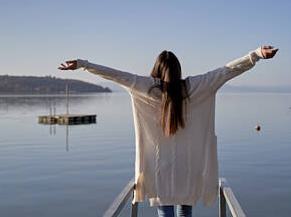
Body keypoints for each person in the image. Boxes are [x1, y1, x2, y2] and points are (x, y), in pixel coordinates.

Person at [58, 46, 278, 217]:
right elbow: (227, 71)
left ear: (157, 70)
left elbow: (115, 75)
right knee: (185, 210)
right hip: (190, 165)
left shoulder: (145, 87)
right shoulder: (197, 86)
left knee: (165, 212)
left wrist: (83, 64)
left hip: (159, 166)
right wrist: (256, 54)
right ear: (178, 69)